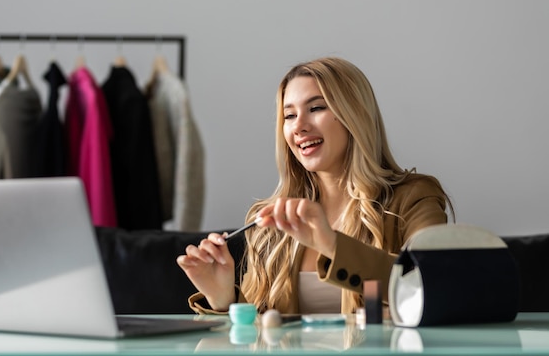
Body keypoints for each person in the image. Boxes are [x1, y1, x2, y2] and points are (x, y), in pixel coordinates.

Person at [177, 56, 454, 315]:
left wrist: (331, 244)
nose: (299, 127)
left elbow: (432, 286)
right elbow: (261, 334)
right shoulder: (270, 222)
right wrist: (224, 298)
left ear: (354, 115)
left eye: (316, 108)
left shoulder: (415, 197)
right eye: (289, 116)